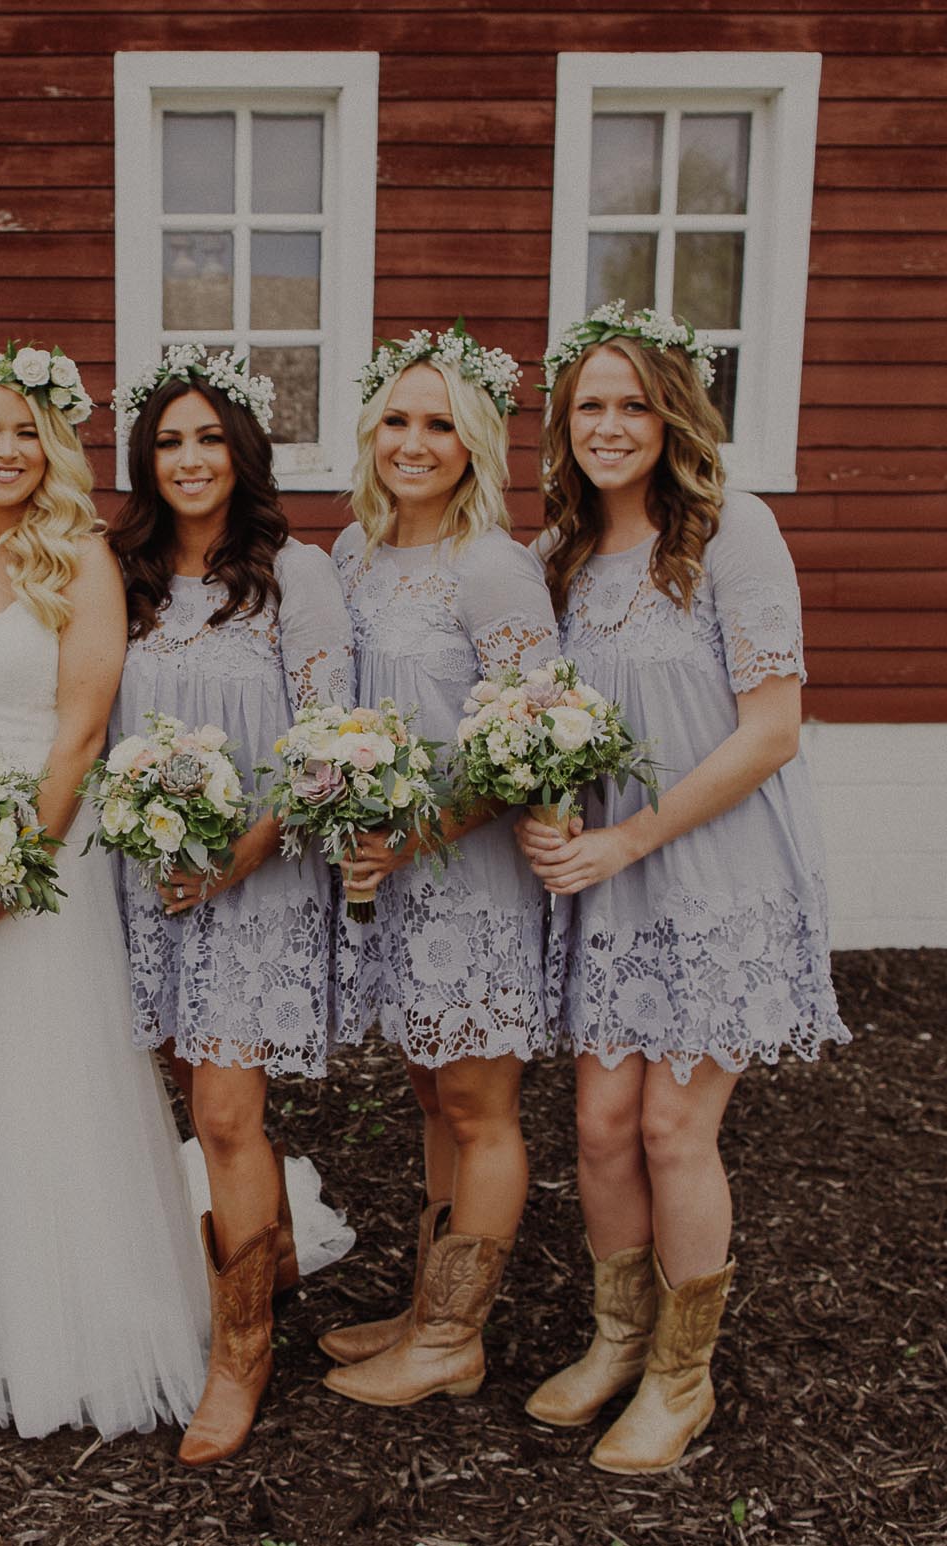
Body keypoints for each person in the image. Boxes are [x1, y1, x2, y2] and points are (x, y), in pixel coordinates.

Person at [518, 304, 850, 1473]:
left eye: (633, 403)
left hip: (716, 875)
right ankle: (618, 1338)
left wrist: (632, 838)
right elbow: (549, 727)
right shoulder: (558, 559)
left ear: (674, 415)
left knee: (672, 1123)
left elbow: (773, 730)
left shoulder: (728, 533)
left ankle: (682, 1374)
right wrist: (555, 815)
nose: (610, 425)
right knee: (601, 1124)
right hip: (611, 882)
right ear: (566, 423)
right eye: (589, 405)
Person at [0, 344, 209, 1439]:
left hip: (46, 854)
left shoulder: (82, 558)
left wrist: (12, 866)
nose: (6, 450)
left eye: (26, 431)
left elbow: (80, 728)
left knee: (49, 1066)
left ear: (50, 443)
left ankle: (81, 1311)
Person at [102, 347, 355, 1464]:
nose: (190, 458)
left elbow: (326, 748)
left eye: (210, 438)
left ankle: (240, 1350)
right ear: (144, 461)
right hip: (146, 881)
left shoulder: (298, 574)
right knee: (187, 1086)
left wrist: (239, 860)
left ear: (242, 453)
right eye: (169, 441)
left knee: (223, 1114)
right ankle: (274, 1253)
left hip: (258, 880)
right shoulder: (120, 572)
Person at [318, 326, 558, 1408]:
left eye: (440, 425)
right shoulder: (350, 558)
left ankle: (455, 1336)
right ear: (372, 431)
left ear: (476, 443)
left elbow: (538, 743)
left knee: (480, 1102)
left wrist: (420, 832)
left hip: (464, 874)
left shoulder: (494, 568)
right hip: (385, 874)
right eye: (399, 421)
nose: (416, 443)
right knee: (429, 1086)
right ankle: (428, 1308)